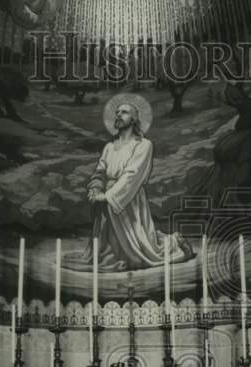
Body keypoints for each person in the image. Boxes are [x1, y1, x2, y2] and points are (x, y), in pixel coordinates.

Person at [82, 102, 192, 271]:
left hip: (128, 199)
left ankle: (174, 243)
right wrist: (95, 188)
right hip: (105, 200)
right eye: (117, 112)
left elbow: (133, 174)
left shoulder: (144, 145)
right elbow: (100, 171)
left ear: (133, 119)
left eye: (124, 112)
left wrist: (108, 196)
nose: (118, 115)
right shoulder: (109, 147)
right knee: (107, 252)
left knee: (141, 249)